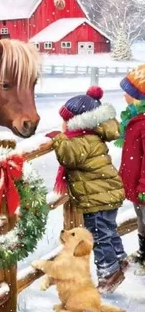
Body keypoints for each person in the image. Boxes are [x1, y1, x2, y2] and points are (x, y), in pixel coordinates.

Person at [46, 86, 127, 294]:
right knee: (109, 231)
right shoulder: (92, 136)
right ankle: (120, 261)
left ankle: (109, 274)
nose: (62, 125)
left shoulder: (82, 140)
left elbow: (68, 156)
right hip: (106, 194)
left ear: (77, 122)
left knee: (99, 236)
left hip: (97, 199)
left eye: (65, 121)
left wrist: (58, 138)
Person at [118, 65, 145, 266]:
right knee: (141, 219)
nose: (124, 96)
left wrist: (144, 186)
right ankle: (143, 252)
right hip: (137, 184)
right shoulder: (135, 118)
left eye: (128, 92)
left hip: (143, 186)